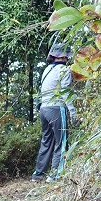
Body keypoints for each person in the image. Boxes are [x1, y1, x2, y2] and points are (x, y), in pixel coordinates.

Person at [32, 43, 74, 181]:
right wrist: (73, 113)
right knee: (61, 142)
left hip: (43, 109)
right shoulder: (64, 70)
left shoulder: (47, 69)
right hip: (56, 108)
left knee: (46, 141)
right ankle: (55, 175)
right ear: (65, 56)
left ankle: (38, 174)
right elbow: (65, 93)